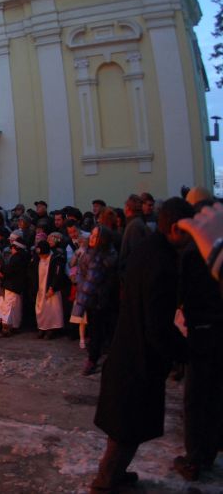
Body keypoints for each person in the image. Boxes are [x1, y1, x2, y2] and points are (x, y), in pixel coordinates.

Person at [90, 198, 193, 493]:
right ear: (176, 228)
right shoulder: (161, 262)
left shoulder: (149, 250)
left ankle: (114, 476)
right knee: (126, 429)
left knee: (126, 427)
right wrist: (181, 352)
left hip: (129, 350)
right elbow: (157, 324)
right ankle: (105, 483)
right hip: (138, 358)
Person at [173, 216, 223, 481]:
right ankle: (210, 447)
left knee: (196, 397)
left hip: (201, 330)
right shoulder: (216, 248)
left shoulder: (194, 254)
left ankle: (194, 458)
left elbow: (184, 294)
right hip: (214, 328)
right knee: (214, 392)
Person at [72, 226, 117, 374]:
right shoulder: (90, 253)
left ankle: (93, 360)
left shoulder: (102, 257)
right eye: (91, 234)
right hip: (93, 299)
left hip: (99, 299)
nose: (91, 237)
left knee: (98, 330)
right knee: (95, 329)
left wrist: (80, 305)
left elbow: (92, 282)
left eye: (95, 236)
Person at [33, 241, 66, 339]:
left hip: (51, 288)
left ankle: (51, 329)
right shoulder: (37, 259)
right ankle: (42, 327)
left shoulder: (55, 259)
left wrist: (53, 287)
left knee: (52, 309)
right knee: (41, 308)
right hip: (41, 288)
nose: (41, 257)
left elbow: (57, 274)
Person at [0, 238, 29, 336]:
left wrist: (2, 272)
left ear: (16, 248)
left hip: (11, 285)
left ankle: (6, 328)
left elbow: (9, 270)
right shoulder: (25, 257)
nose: (11, 250)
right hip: (18, 286)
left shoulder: (16, 257)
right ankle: (15, 326)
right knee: (16, 307)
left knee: (8, 306)